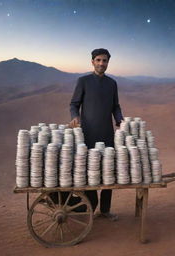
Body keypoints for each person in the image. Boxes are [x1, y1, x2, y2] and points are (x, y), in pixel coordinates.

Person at [69, 48, 124, 221]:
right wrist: (75, 117)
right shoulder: (83, 81)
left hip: (107, 134)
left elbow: (116, 106)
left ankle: (105, 210)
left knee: (109, 171)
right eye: (98, 60)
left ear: (108, 62)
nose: (102, 63)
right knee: (90, 170)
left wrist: (120, 120)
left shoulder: (112, 83)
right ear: (92, 61)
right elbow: (74, 104)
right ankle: (89, 205)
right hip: (88, 134)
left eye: (105, 60)